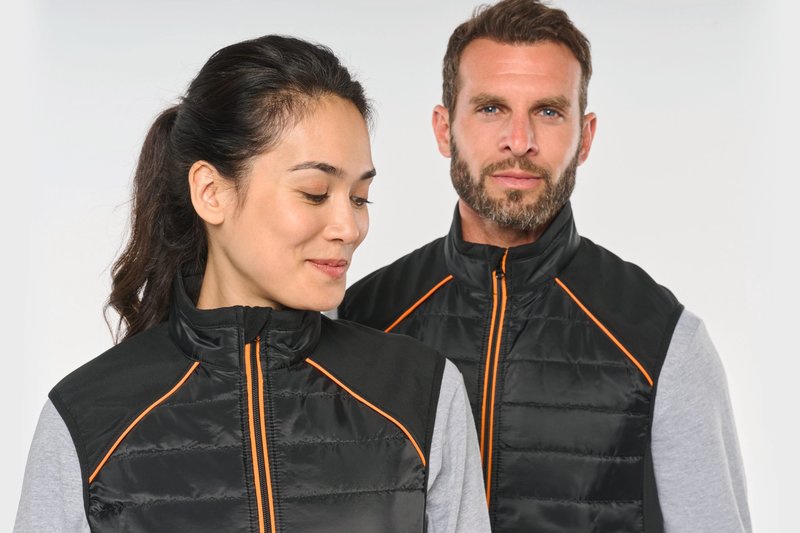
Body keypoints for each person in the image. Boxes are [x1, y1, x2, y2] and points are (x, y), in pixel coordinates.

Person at [14, 35, 490, 533]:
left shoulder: (421, 393)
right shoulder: (86, 417)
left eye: (359, 197)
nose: (349, 228)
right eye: (315, 193)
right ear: (211, 192)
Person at [339, 1, 752, 532]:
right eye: (491, 108)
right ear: (444, 129)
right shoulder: (362, 320)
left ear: (586, 137)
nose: (520, 141)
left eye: (549, 112)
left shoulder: (663, 341)